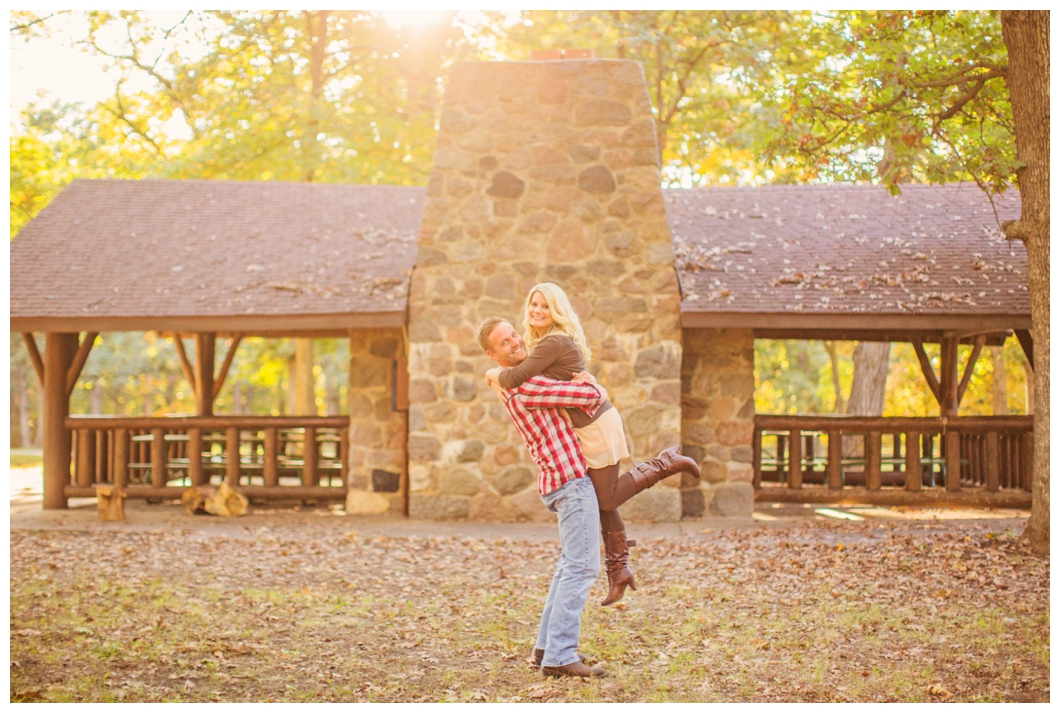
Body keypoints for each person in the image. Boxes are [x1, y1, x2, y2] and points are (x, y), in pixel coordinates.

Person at [485, 283, 699, 607]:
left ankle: (665, 463)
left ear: (556, 310)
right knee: (602, 500)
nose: (537, 311)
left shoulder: (554, 341)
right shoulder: (543, 344)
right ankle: (619, 568)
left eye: (545, 305)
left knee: (607, 496)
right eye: (533, 304)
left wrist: (491, 373)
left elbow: (515, 378)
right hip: (586, 424)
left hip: (595, 423)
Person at [478, 316, 608, 678]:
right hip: (569, 481)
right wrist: (589, 382)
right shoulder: (528, 387)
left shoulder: (517, 382)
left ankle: (545, 648)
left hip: (558, 480)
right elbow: (591, 397)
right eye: (504, 343)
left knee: (570, 564)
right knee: (583, 566)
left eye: (514, 335)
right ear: (493, 353)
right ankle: (561, 656)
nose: (515, 342)